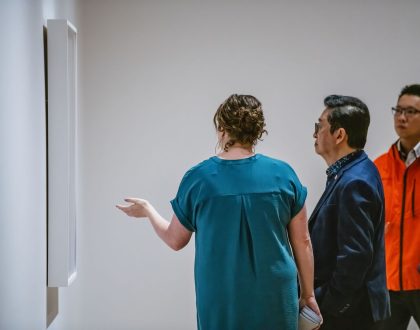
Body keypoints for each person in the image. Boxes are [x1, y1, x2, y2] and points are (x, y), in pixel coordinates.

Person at [117, 94, 321, 330]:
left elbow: (175, 240)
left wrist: (148, 210)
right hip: (275, 292)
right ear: (257, 131)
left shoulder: (199, 178)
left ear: (222, 129)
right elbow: (303, 241)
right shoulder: (284, 175)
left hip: (222, 294)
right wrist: (308, 295)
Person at [308, 95, 390, 330]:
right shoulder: (351, 172)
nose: (315, 134)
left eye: (319, 126)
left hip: (349, 314)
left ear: (339, 134)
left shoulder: (355, 181)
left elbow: (355, 256)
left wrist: (327, 305)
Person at [374, 84, 420, 330]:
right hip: (389, 283)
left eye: (411, 111)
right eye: (398, 110)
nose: (402, 117)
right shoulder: (379, 167)